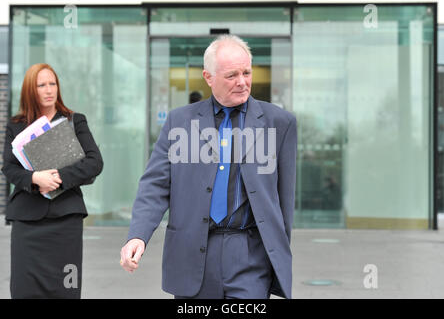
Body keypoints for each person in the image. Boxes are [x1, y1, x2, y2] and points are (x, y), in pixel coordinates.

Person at [120, 35, 297, 299]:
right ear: (208, 76)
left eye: (247, 72)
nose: (242, 82)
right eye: (231, 75)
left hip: (250, 257)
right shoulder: (178, 122)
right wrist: (138, 235)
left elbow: (285, 198)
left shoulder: (280, 123)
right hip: (192, 254)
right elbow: (155, 186)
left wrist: (278, 250)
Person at [2, 63, 103, 299]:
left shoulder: (74, 121)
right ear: (30, 90)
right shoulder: (15, 125)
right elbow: (8, 167)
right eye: (41, 85)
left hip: (65, 221)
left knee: (65, 289)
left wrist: (58, 177)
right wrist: (35, 179)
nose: (49, 90)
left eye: (52, 83)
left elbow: (94, 162)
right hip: (27, 222)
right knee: (24, 289)